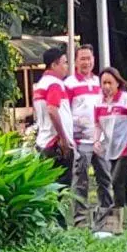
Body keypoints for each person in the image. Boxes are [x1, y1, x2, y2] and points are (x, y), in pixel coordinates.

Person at [65, 46, 114, 228]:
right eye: (82, 59)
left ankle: (107, 219)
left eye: (89, 58)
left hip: (99, 140)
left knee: (105, 178)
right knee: (81, 181)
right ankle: (81, 220)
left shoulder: (99, 83)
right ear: (76, 61)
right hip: (80, 140)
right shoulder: (69, 84)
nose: (86, 62)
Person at [94, 67, 127, 228]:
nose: (106, 86)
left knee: (116, 181)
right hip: (111, 147)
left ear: (118, 83)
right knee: (125, 185)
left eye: (110, 82)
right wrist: (96, 140)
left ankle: (116, 221)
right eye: (104, 83)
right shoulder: (98, 102)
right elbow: (97, 124)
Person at [33, 47, 75, 228]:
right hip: (56, 143)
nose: (67, 67)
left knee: (50, 185)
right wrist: (64, 138)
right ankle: (59, 223)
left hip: (43, 141)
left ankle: (51, 222)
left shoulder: (39, 85)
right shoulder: (55, 84)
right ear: (54, 64)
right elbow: (52, 110)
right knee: (60, 187)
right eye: (64, 62)